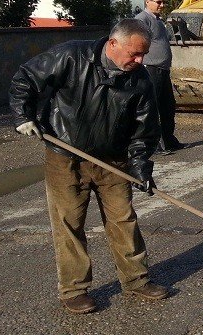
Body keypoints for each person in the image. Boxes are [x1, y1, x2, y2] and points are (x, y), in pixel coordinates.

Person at [9, 19, 170, 314]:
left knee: (124, 219)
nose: (139, 60)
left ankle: (136, 279)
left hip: (114, 160)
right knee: (69, 223)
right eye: (134, 54)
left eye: (143, 54)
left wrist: (141, 168)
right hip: (65, 156)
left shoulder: (140, 80)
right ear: (113, 44)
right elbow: (25, 78)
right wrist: (23, 115)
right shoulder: (71, 57)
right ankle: (74, 290)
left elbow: (144, 131)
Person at [135, 0, 184, 153]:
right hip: (150, 69)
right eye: (158, 2)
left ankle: (169, 140)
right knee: (152, 108)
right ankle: (154, 144)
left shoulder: (159, 21)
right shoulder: (142, 20)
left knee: (168, 106)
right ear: (148, 2)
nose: (162, 5)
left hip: (163, 70)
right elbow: (137, 42)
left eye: (163, 2)